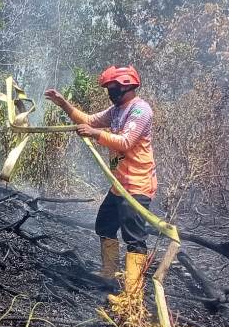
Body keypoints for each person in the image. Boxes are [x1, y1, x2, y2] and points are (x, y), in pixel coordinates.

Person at [44, 65, 156, 302]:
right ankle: (110, 274)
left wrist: (95, 134)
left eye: (112, 88)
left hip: (137, 185)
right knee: (104, 225)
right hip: (119, 185)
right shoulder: (116, 110)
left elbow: (125, 142)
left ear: (126, 86)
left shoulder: (140, 110)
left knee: (134, 238)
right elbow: (88, 119)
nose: (109, 92)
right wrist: (63, 103)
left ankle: (131, 296)